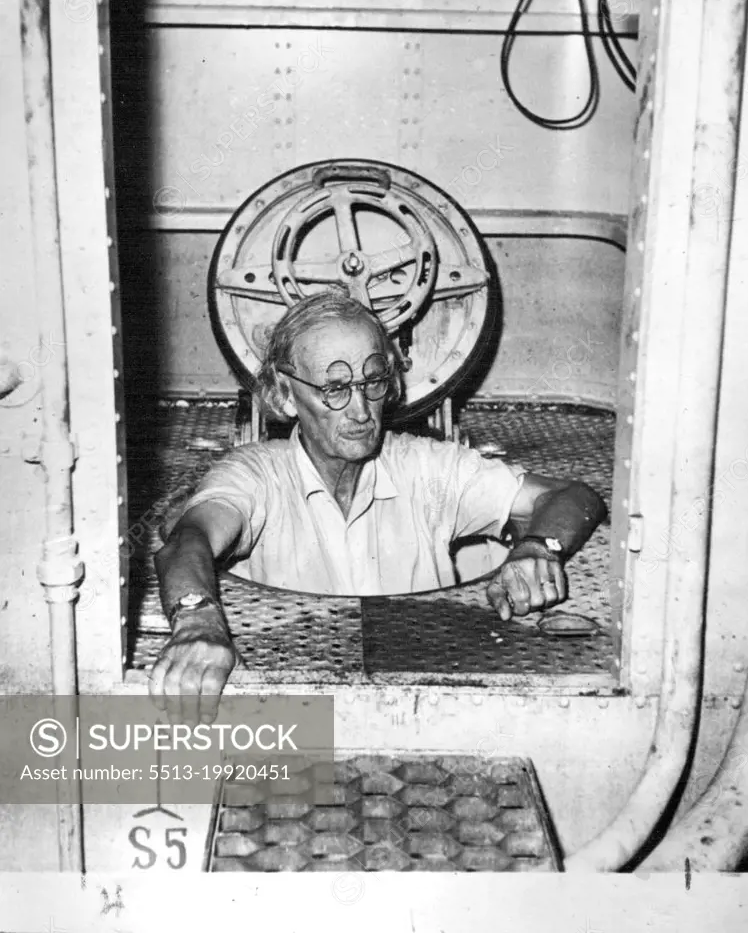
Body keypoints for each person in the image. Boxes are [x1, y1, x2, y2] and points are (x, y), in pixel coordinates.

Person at [150, 290, 606, 720]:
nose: (361, 410)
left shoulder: (426, 466)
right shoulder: (254, 474)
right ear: (285, 396)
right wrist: (197, 621)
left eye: (373, 381)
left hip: (428, 699)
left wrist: (538, 548)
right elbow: (187, 540)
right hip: (299, 711)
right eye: (334, 388)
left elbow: (573, 497)